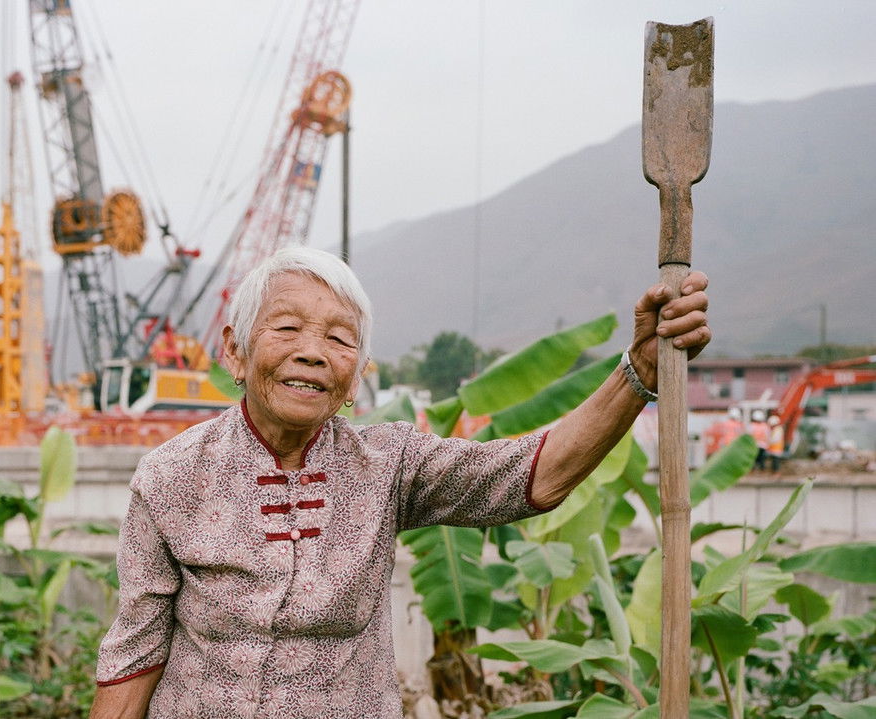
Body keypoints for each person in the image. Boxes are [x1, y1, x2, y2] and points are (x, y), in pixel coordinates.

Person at [90, 247, 711, 719]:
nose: (312, 352)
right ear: (234, 351)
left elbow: (536, 476)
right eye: (286, 329)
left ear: (356, 377)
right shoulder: (171, 475)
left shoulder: (389, 463)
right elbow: (134, 653)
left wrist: (641, 371)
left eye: (338, 339)